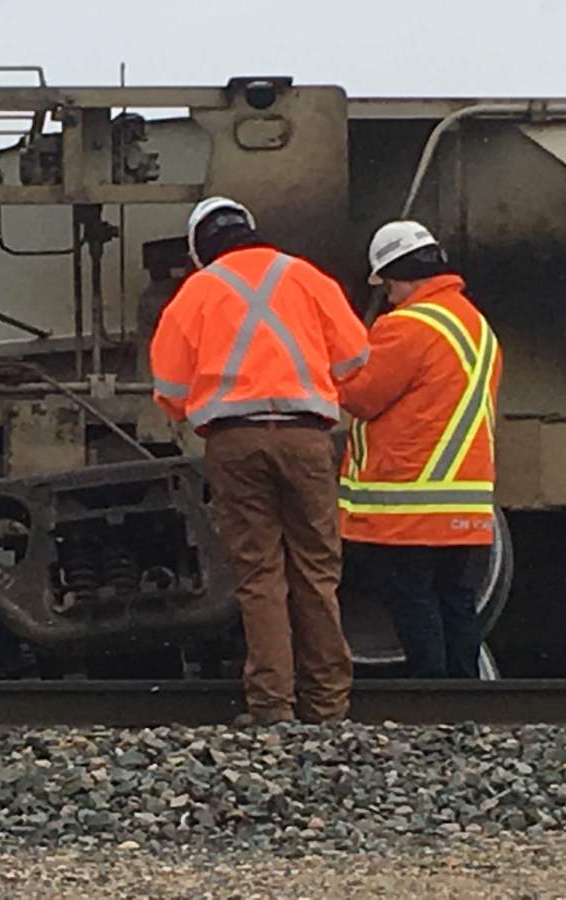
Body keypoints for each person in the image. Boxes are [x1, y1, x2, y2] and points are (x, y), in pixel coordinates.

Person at [150, 197, 370, 724]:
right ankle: (329, 706)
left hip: (234, 443)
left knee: (259, 574)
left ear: (200, 247)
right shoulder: (307, 278)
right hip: (306, 439)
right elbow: (355, 357)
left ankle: (272, 707)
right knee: (317, 571)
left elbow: (171, 389)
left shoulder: (195, 293)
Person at [338, 220, 503, 678]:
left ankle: (430, 700)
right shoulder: (476, 324)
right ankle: (463, 700)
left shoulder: (407, 326)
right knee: (456, 604)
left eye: (387, 283)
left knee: (414, 605)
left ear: (399, 274)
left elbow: (360, 396)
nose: (387, 294)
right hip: (465, 504)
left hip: (409, 504)